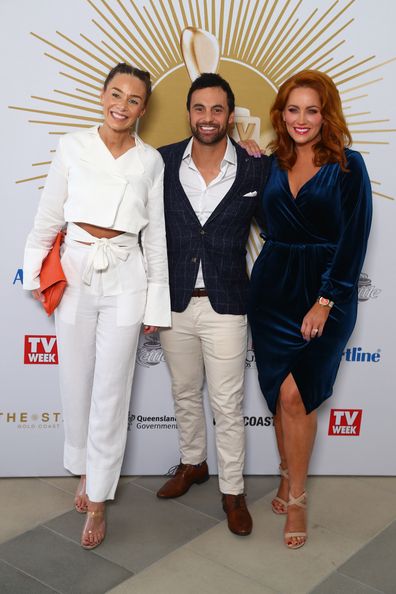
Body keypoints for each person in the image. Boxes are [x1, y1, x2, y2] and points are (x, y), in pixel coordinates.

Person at [23, 63, 170, 549]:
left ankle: (100, 497)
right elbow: (49, 213)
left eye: (133, 99)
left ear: (143, 108)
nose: (122, 105)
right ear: (102, 95)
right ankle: (85, 469)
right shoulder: (73, 145)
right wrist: (32, 271)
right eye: (115, 93)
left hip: (127, 274)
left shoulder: (151, 162)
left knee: (113, 388)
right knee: (77, 381)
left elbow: (158, 238)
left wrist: (156, 301)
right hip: (78, 268)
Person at [247, 69, 372, 549]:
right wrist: (250, 160)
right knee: (280, 396)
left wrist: (326, 300)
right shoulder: (271, 164)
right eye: (293, 109)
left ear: (326, 115)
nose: (302, 119)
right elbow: (263, 220)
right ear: (281, 115)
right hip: (273, 288)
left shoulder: (348, 166)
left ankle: (296, 499)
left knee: (300, 396)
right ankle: (285, 474)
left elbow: (353, 240)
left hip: (326, 288)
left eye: (312, 110)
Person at [156, 73, 270, 536]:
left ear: (230, 114)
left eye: (217, 109)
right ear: (189, 112)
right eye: (200, 108)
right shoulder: (159, 163)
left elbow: (280, 228)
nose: (208, 118)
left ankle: (234, 490)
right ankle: (192, 463)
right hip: (174, 303)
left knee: (227, 402)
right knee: (184, 394)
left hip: (228, 304)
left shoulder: (255, 167)